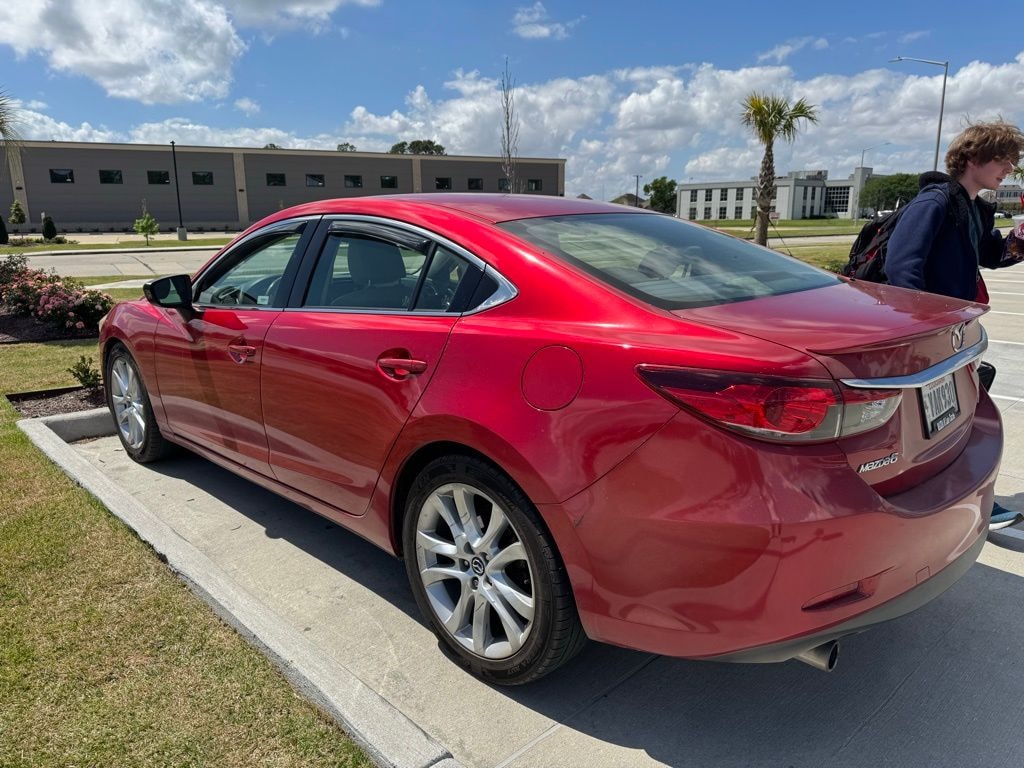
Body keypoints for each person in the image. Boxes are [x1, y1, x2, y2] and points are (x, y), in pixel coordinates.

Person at [886, 120, 1024, 530]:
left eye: (1013, 163)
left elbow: (994, 255)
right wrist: (924, 337)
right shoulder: (935, 202)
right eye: (1003, 160)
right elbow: (901, 268)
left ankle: (971, 497)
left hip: (953, 338)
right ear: (972, 157)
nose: (1010, 169)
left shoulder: (974, 208)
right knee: (952, 424)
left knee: (959, 422)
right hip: (930, 342)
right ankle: (967, 500)